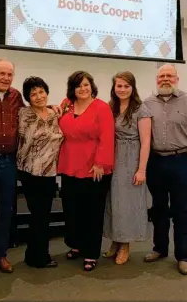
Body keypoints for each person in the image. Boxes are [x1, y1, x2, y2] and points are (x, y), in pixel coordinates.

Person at [0, 59, 61, 281]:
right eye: (2, 73)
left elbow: (37, 110)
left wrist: (53, 106)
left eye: (10, 74)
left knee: (5, 211)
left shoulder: (16, 97)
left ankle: (0, 255)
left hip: (8, 162)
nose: (6, 78)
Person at [143, 64, 187, 275]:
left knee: (181, 210)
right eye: (162, 76)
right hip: (156, 162)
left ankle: (183, 256)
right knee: (159, 209)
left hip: (180, 160)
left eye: (170, 75)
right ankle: (159, 249)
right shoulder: (147, 103)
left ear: (177, 78)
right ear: (156, 79)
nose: (165, 79)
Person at [58, 71, 115, 271]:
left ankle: (91, 252)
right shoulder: (67, 105)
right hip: (69, 165)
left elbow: (107, 137)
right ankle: (76, 244)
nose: (83, 89)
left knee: (92, 213)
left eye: (86, 85)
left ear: (92, 86)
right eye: (78, 85)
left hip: (93, 168)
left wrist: (100, 162)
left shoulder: (102, 107)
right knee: (72, 209)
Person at [103, 71, 152, 264]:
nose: (122, 90)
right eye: (119, 86)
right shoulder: (110, 107)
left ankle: (125, 245)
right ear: (114, 88)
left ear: (133, 88)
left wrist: (141, 170)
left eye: (126, 86)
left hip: (131, 160)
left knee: (128, 204)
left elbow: (146, 142)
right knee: (113, 202)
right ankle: (116, 240)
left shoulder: (141, 109)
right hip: (112, 158)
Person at [17, 77, 64, 268]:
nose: (38, 96)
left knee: (43, 215)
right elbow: (27, 139)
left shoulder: (54, 114)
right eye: (33, 94)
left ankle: (34, 254)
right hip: (31, 172)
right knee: (39, 214)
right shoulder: (24, 114)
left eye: (41, 92)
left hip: (50, 172)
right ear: (28, 97)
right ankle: (39, 257)